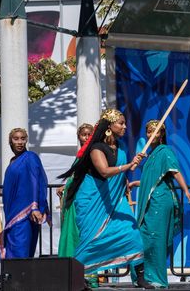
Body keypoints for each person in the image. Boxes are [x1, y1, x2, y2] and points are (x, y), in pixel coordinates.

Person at [57, 109, 153, 289]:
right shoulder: (96, 148)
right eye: (121, 123)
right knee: (90, 239)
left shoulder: (121, 147)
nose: (125, 126)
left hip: (115, 200)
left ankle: (141, 278)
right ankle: (77, 276)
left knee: (133, 234)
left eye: (125, 123)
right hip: (92, 200)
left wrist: (135, 162)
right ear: (109, 126)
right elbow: (104, 171)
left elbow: (126, 170)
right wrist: (127, 165)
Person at [131, 120, 190, 289]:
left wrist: (186, 191)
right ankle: (143, 276)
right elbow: (150, 180)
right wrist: (136, 181)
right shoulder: (150, 155)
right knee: (144, 237)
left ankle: (157, 278)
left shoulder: (165, 151)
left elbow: (175, 172)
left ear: (161, 135)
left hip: (160, 201)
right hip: (150, 202)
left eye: (155, 132)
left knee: (156, 238)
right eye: (149, 131)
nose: (151, 134)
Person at [0, 128, 50, 259]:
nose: (20, 142)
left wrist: (35, 207)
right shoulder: (13, 161)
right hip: (12, 212)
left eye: (23, 138)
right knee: (12, 244)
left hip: (26, 214)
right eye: (16, 139)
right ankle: (13, 278)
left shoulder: (30, 157)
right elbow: (18, 187)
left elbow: (35, 181)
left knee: (21, 247)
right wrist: (1, 192)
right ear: (10, 141)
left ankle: (20, 278)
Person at [57, 123, 93, 257]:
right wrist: (65, 186)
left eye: (89, 134)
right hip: (73, 196)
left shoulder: (92, 154)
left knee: (81, 229)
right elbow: (75, 176)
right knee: (71, 230)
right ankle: (71, 264)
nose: (87, 137)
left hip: (83, 196)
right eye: (84, 135)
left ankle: (84, 269)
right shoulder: (81, 154)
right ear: (79, 137)